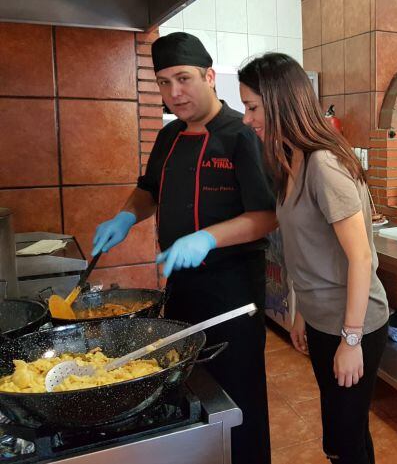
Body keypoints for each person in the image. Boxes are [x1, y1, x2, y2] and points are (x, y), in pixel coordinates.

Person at [91, 32, 276, 464]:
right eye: (163, 82)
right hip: (180, 286)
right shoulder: (169, 135)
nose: (174, 92)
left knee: (239, 391)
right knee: (189, 384)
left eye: (184, 78)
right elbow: (148, 190)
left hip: (232, 288)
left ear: (209, 76)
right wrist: (125, 216)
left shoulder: (241, 134)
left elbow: (267, 215)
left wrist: (207, 237)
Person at [238, 52, 389, 464]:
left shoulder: (324, 165)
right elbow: (309, 253)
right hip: (324, 320)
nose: (247, 118)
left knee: (343, 442)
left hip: (354, 323)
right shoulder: (290, 162)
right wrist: (302, 312)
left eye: (252, 107)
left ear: (279, 101)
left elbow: (360, 260)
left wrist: (351, 340)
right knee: (348, 432)